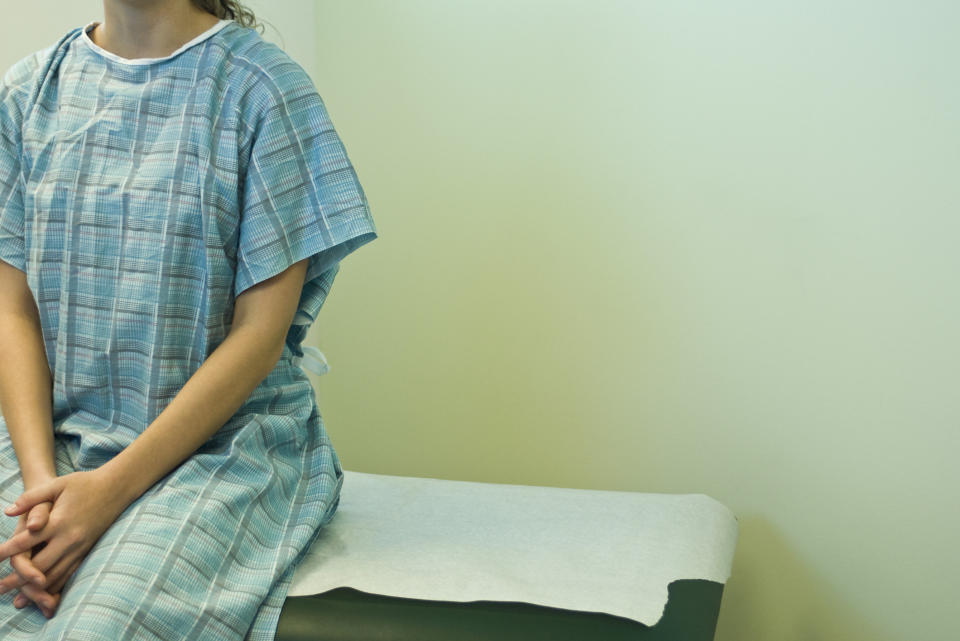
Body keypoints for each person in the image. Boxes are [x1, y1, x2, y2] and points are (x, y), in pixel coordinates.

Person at [0, 0, 378, 637]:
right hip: (50, 438)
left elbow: (259, 337)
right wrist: (42, 495)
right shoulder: (28, 92)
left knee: (99, 628)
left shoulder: (263, 91)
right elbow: (13, 310)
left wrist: (107, 493)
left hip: (221, 448)